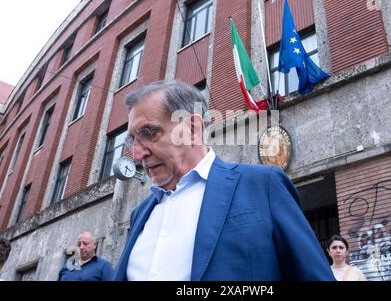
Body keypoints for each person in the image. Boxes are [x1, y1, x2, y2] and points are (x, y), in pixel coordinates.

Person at [114, 80, 335, 281]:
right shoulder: (140, 214)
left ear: (192, 129)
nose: (136, 154)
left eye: (149, 133)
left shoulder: (262, 185)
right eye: (132, 140)